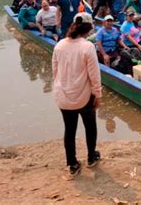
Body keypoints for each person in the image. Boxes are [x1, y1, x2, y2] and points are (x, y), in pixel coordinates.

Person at [52, 12, 102, 177]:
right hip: (83, 95)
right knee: (90, 127)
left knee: (69, 129)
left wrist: (61, 87)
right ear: (87, 29)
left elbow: (55, 72)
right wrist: (98, 94)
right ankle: (91, 157)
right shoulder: (87, 46)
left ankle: (72, 164)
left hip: (63, 96)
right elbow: (94, 75)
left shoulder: (59, 45)